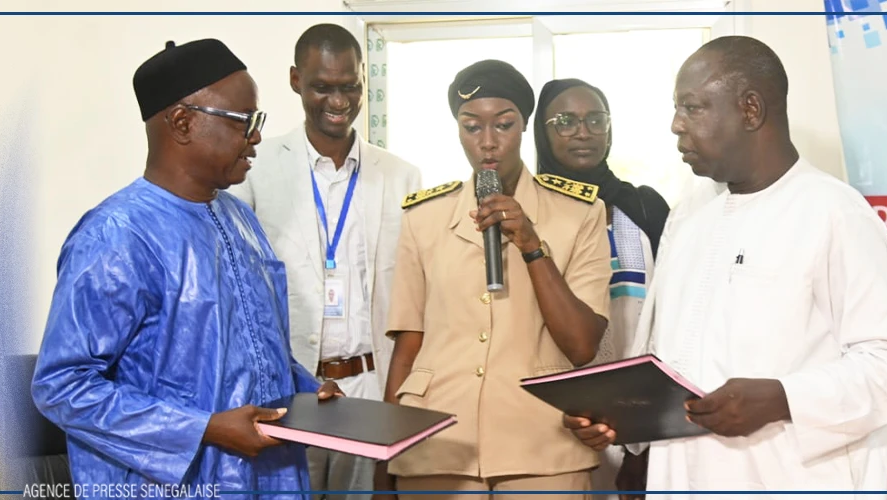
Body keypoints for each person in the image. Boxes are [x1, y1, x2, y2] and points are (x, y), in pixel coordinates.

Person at [563, 36, 887, 498]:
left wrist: (782, 398)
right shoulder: (689, 213)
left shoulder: (834, 213)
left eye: (692, 108)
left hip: (789, 479)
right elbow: (665, 355)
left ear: (750, 110)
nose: (676, 125)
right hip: (683, 478)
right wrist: (617, 416)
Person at [30, 38, 342, 499]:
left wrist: (307, 393)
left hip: (269, 478)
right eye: (244, 121)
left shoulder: (241, 220)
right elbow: (62, 386)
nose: (256, 136)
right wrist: (204, 429)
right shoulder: (116, 235)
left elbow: (255, 348)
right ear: (182, 122)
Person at [374, 59, 612, 499]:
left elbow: (582, 346)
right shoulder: (422, 217)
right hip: (435, 443)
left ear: (524, 127)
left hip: (543, 445)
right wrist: (384, 459)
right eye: (471, 126)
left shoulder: (580, 213)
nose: (487, 142)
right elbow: (408, 346)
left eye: (503, 125)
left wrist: (532, 245)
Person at [227, 24, 422, 499]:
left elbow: (415, 297)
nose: (338, 101)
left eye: (349, 86)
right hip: (289, 395)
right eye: (322, 87)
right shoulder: (254, 170)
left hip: (372, 389)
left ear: (363, 80)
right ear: (296, 80)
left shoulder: (402, 176)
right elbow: (238, 293)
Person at [532, 78, 669, 499]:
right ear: (542, 133)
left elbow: (670, 314)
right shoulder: (527, 215)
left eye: (595, 119)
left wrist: (647, 438)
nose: (583, 132)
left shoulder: (644, 206)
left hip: (639, 414)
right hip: (554, 416)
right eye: (565, 121)